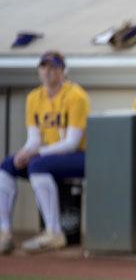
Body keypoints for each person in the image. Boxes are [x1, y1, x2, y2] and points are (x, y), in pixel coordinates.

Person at [0, 51, 89, 254]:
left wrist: (36, 154)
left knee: (37, 165)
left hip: (80, 156)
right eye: (44, 67)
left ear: (63, 71)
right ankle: (4, 232)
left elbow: (72, 143)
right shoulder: (34, 97)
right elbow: (34, 138)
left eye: (53, 67)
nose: (48, 72)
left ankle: (54, 233)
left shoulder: (76, 96)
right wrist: (24, 152)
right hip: (48, 155)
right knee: (7, 166)